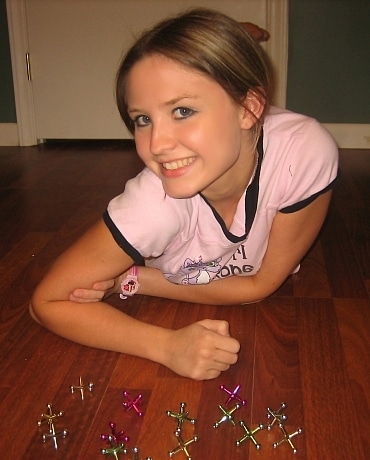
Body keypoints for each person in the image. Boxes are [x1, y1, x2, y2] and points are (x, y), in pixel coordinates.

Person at [30, 8, 339, 381]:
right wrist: (165, 346)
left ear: (250, 107)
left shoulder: (303, 154)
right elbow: (47, 302)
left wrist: (134, 280)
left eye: (182, 110)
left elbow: (261, 285)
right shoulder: (152, 205)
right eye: (142, 119)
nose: (156, 145)